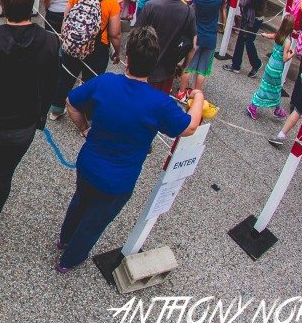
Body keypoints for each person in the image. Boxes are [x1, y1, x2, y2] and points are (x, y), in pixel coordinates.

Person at [58, 26, 203, 272]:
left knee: (79, 200)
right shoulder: (160, 103)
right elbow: (189, 127)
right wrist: (197, 98)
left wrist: (85, 129)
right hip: (119, 180)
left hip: (88, 163)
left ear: (127, 58)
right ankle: (68, 261)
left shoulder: (105, 82)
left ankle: (64, 239)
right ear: (154, 63)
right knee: (94, 222)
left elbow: (72, 103)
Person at [0, 0, 59, 245]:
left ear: (2, 5)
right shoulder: (49, 42)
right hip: (23, 125)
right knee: (6, 172)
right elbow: (51, 85)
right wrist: (40, 116)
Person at [48, 0, 122, 118]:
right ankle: (87, 115)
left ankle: (56, 109)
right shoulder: (111, 2)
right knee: (91, 82)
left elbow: (66, 15)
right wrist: (117, 51)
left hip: (73, 42)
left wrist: (65, 37)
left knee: (66, 76)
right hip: (98, 47)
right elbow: (115, 33)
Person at [133, 0, 195, 94]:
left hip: (143, 68)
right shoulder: (189, 12)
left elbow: (134, 38)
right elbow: (192, 45)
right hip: (168, 70)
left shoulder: (151, 6)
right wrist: (184, 66)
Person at [177, 0, 225, 99]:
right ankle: (196, 94)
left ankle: (181, 91)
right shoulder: (217, 1)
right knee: (202, 70)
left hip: (197, 36)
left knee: (189, 66)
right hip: (211, 38)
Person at [223, 0, 271, 77]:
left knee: (249, 40)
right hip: (249, 12)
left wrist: (248, 0)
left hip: (256, 14)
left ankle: (256, 63)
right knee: (241, 39)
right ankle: (236, 64)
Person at [246, 15, 296, 120]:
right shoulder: (287, 41)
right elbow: (285, 59)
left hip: (270, 66)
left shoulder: (278, 35)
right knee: (276, 89)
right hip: (277, 69)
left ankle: (275, 109)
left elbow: (270, 35)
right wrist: (293, 54)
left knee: (266, 86)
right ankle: (254, 106)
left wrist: (264, 34)